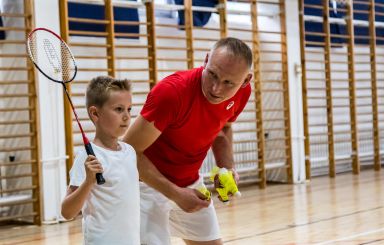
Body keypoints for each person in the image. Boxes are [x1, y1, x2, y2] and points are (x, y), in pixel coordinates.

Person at [124, 37, 253, 245]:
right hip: (145, 187)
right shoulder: (172, 93)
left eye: (229, 83)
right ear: (206, 59)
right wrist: (176, 194)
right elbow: (127, 153)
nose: (216, 89)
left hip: (189, 185)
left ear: (246, 80)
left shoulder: (242, 93)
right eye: (212, 74)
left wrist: (226, 168)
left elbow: (223, 128)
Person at [61, 76, 139, 245]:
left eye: (129, 109)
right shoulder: (87, 158)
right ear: (95, 113)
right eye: (119, 109)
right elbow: (67, 212)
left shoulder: (130, 152)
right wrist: (88, 181)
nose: (126, 116)